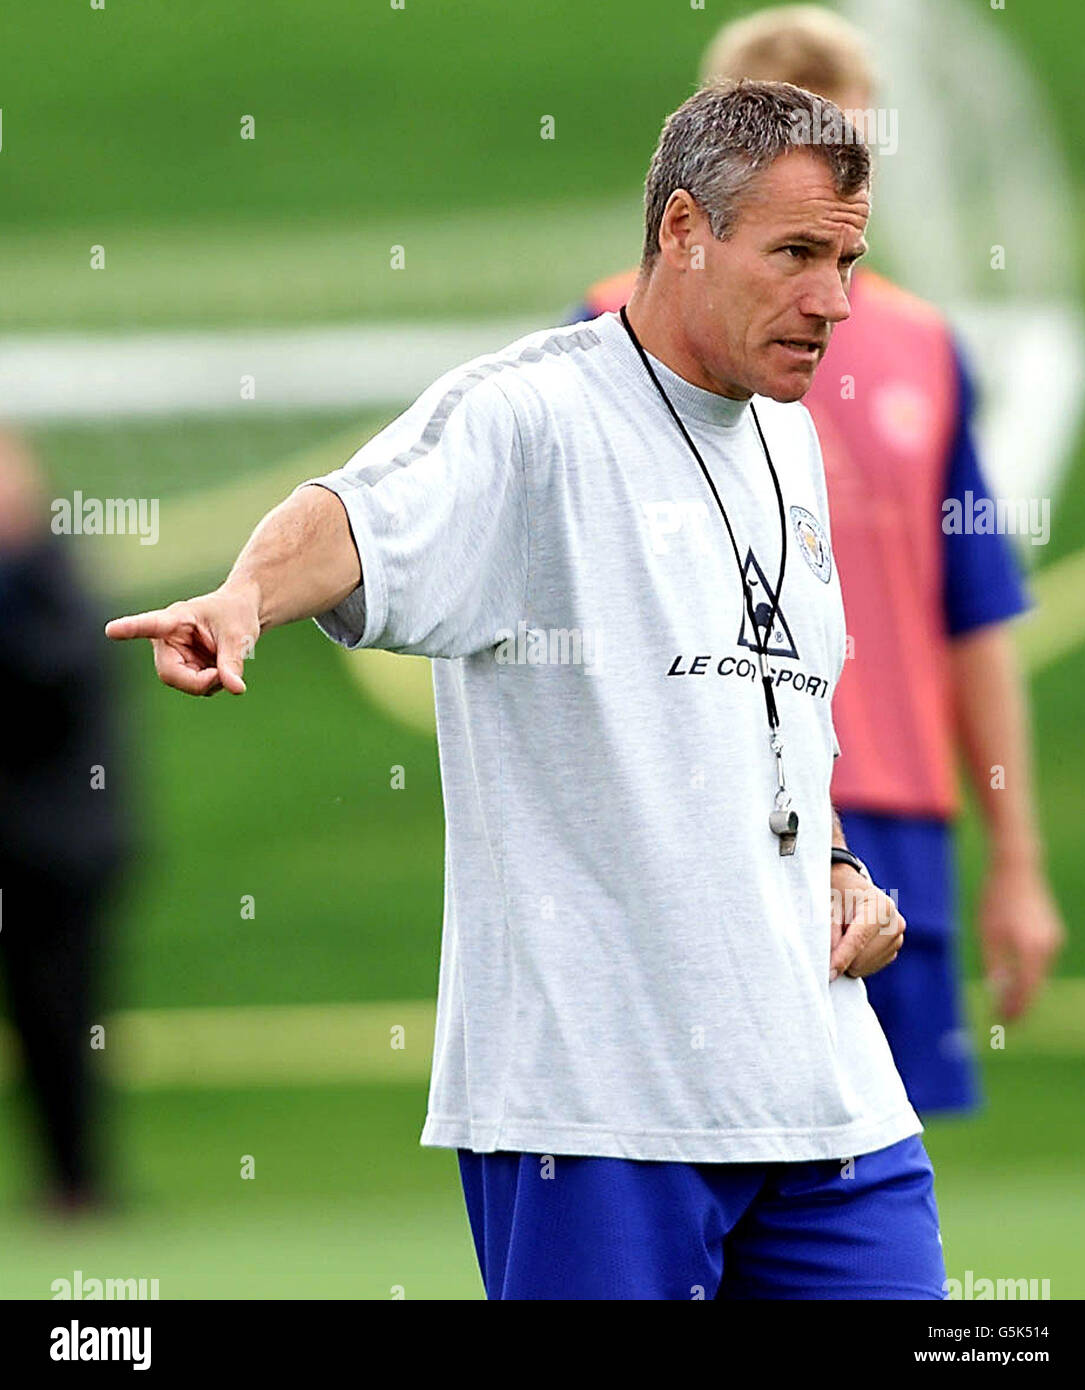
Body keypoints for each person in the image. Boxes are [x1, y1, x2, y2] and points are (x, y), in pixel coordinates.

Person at [107, 80, 946, 1300]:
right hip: (596, 1112)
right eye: (799, 254)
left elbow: (771, 721)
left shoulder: (791, 439)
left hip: (830, 1102)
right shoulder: (530, 416)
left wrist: (831, 867)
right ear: (681, 232)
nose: (834, 300)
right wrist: (243, 595)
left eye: (850, 258)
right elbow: (357, 514)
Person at [570, 5, 1064, 1116]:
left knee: (874, 1168)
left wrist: (1018, 860)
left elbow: (971, 614)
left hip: (891, 807)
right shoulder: (606, 331)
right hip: (694, 805)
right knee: (701, 1145)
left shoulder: (928, 352)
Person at [0, 433, 130, 1212]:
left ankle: (76, 1184)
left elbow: (49, 683)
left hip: (54, 849)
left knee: (61, 1020)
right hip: (26, 843)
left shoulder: (50, 579)